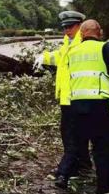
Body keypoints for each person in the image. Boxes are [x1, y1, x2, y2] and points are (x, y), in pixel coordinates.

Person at [55, 19, 109, 194]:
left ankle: (64, 176)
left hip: (75, 106)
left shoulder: (73, 52)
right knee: (102, 148)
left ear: (81, 34)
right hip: (97, 106)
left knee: (76, 144)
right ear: (100, 32)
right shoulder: (104, 47)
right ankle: (103, 190)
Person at [34, 10, 93, 174]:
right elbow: (60, 56)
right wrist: (43, 57)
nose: (67, 30)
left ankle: (68, 169)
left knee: (71, 135)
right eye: (64, 27)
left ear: (80, 25)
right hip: (66, 97)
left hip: (78, 96)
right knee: (72, 133)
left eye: (70, 26)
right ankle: (83, 165)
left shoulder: (83, 43)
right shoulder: (69, 41)